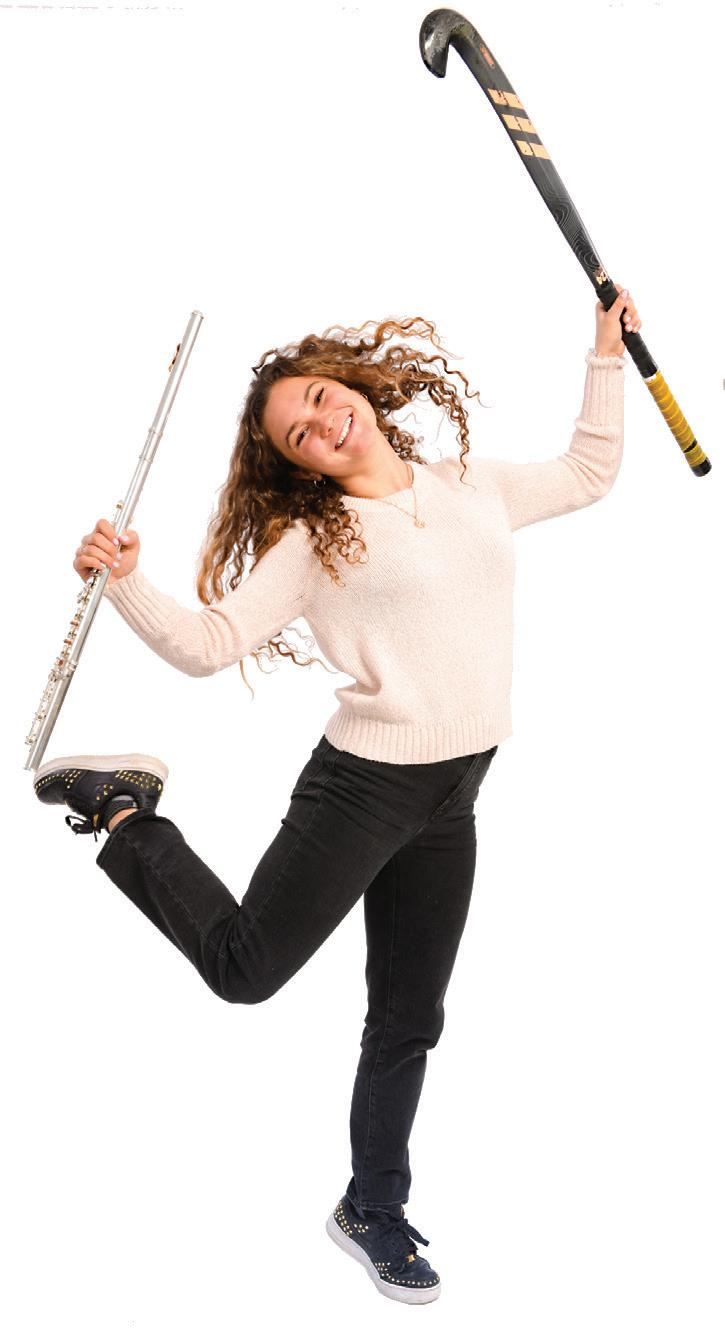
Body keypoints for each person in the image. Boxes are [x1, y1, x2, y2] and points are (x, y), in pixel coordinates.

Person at [33, 288, 640, 1305]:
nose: (321, 425)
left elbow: (587, 470)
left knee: (409, 1017)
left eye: (319, 399)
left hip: (454, 793)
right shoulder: (318, 541)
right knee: (243, 969)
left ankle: (371, 1206)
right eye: (297, 435)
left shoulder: (470, 483)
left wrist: (604, 349)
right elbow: (212, 644)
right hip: (362, 789)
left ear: (349, 385)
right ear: (299, 464)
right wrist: (128, 579)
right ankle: (121, 812)